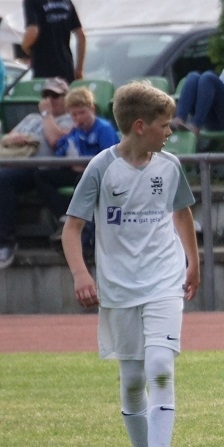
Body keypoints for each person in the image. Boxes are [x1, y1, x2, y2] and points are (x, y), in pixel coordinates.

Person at [62, 80, 200, 447]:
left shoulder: (169, 166)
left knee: (160, 366)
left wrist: (193, 262)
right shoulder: (101, 168)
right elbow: (72, 229)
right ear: (140, 126)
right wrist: (81, 274)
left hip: (164, 280)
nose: (169, 131)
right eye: (164, 124)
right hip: (119, 287)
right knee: (134, 378)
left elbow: (182, 215)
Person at [0, 77, 75, 269]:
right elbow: (5, 139)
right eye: (46, 95)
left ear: (66, 98)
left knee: (3, 180)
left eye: (55, 96)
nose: (50, 99)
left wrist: (46, 114)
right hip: (14, 161)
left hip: (40, 168)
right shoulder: (31, 118)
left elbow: (55, 141)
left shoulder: (69, 119)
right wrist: (15, 139)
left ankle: (6, 243)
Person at [35, 85, 118, 244]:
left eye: (82, 113)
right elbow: (61, 151)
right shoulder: (75, 130)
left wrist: (85, 166)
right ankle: (64, 217)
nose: (79, 118)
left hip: (100, 175)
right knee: (41, 176)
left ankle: (84, 232)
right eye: (74, 114)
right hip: (77, 171)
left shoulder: (104, 129)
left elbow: (109, 161)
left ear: (92, 109)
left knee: (83, 179)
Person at [21, 0, 86, 83]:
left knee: (46, 92)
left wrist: (24, 47)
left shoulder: (32, 2)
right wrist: (79, 69)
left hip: (44, 70)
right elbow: (81, 36)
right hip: (66, 69)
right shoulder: (66, 2)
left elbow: (32, 32)